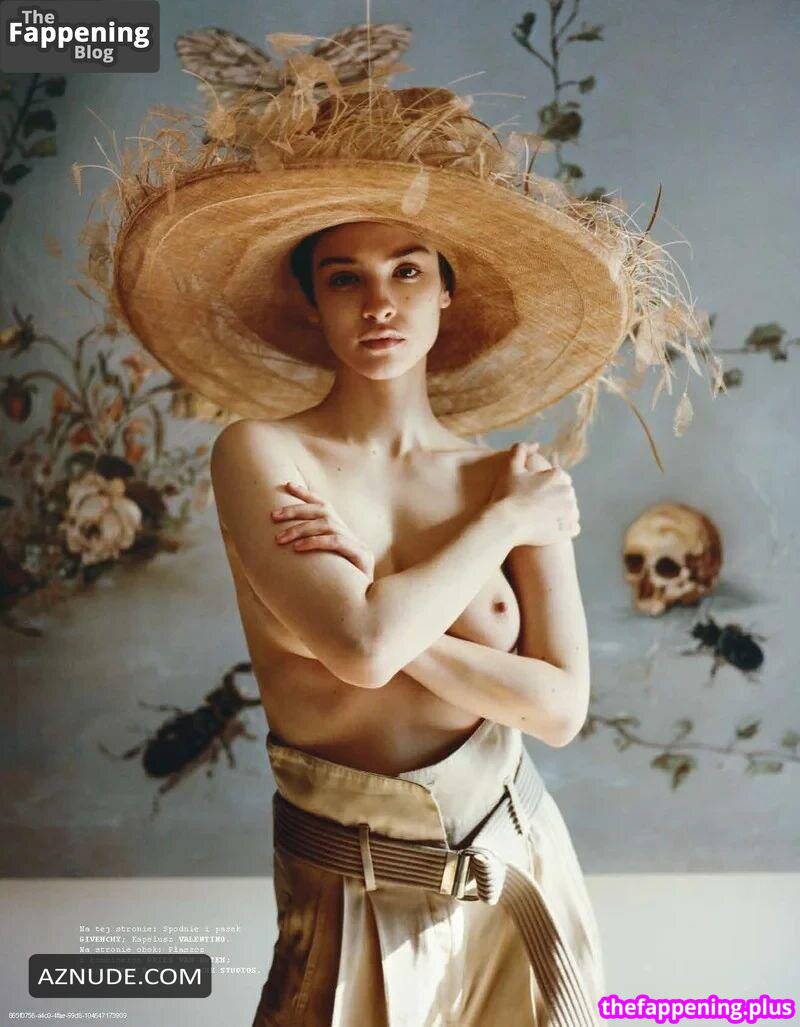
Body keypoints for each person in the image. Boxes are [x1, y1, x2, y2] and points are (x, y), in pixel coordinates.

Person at [100, 49, 713, 1026]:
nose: (378, 301)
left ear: (445, 292)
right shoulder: (263, 452)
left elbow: (558, 709)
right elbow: (358, 649)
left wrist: (390, 623)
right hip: (346, 892)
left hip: (518, 876)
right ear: (312, 301)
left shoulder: (513, 475)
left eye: (407, 270)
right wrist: (491, 535)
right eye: (344, 277)